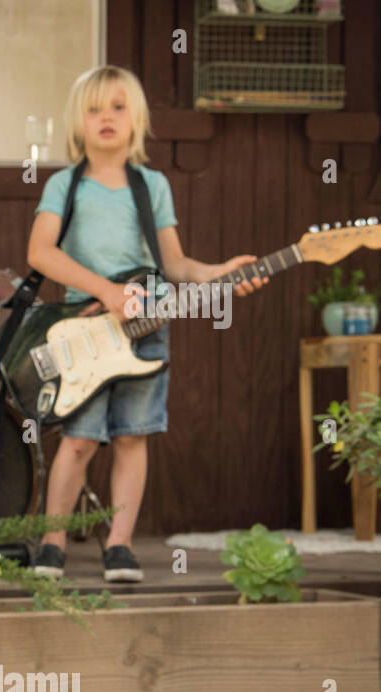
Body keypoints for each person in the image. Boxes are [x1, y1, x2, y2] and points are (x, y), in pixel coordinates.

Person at [28, 65, 267, 583]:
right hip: (87, 327)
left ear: (137, 119)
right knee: (78, 441)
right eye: (94, 109)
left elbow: (174, 264)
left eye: (118, 107)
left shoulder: (151, 185)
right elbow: (41, 252)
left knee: (133, 437)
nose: (106, 118)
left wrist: (216, 273)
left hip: (148, 325)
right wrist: (107, 292)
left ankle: (120, 544)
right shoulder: (65, 186)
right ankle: (52, 542)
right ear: (79, 123)